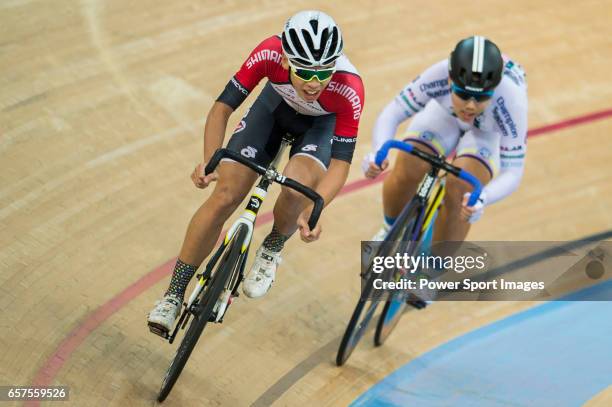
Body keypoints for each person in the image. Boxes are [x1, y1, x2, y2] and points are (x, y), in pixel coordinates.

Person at [148, 10, 364, 335]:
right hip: (272, 111)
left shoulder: (349, 88)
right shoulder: (269, 52)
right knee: (224, 195)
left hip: (319, 129)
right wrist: (211, 163)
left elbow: (341, 164)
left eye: (324, 71)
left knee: (296, 189)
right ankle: (173, 294)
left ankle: (273, 247)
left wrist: (314, 209)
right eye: (305, 71)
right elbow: (222, 107)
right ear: (288, 61)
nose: (315, 83)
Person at [363, 35, 527, 244]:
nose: (470, 106)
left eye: (481, 97)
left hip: (488, 132)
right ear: (450, 80)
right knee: (410, 162)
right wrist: (378, 153)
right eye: (463, 94)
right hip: (445, 115)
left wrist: (483, 197)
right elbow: (392, 113)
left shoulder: (511, 100)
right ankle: (389, 230)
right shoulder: (438, 73)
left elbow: (513, 171)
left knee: (462, 191)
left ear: (494, 90)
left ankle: (431, 269)